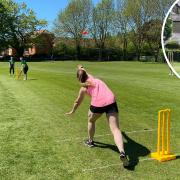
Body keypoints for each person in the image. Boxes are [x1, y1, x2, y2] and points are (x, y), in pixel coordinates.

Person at [66, 65, 130, 167]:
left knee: (91, 120)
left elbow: (77, 101)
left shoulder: (83, 88)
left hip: (97, 105)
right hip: (110, 101)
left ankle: (90, 141)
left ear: (79, 78)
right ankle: (122, 152)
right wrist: (80, 67)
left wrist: (72, 111)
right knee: (115, 129)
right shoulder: (92, 77)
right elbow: (83, 70)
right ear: (86, 74)